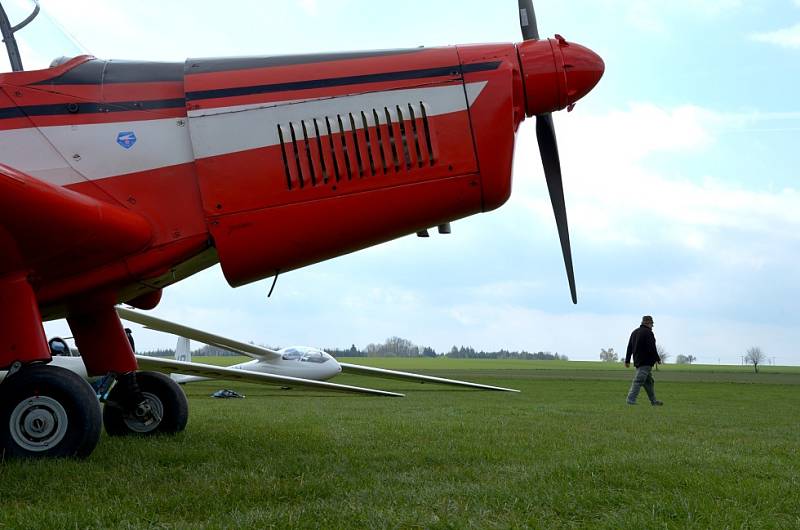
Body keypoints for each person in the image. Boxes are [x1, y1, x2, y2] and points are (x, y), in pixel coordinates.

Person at [624, 315, 663, 406]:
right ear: (648, 323)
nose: (652, 326)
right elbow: (652, 348)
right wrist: (657, 359)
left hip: (638, 361)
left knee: (649, 382)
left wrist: (627, 360)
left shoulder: (634, 332)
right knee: (638, 381)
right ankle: (630, 400)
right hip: (646, 362)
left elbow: (629, 347)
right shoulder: (649, 333)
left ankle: (653, 401)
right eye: (652, 324)